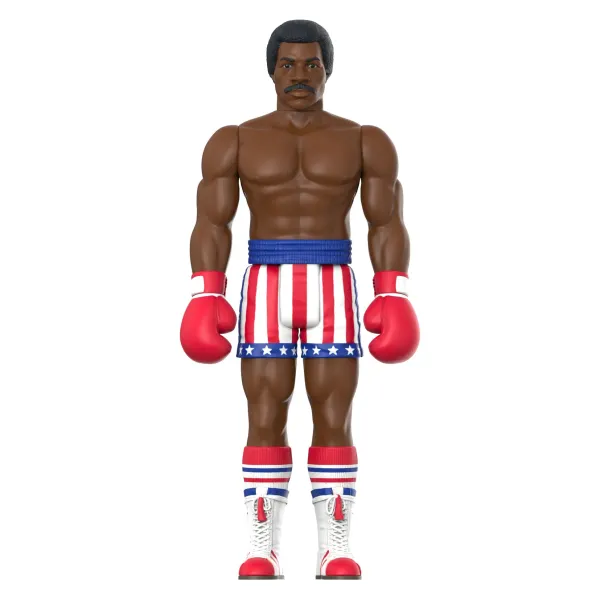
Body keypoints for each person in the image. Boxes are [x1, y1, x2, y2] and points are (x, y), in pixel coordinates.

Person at [180, 19, 419, 580]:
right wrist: (204, 291)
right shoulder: (236, 139)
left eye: (311, 64)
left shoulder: (363, 140)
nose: (300, 75)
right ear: (271, 71)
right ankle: (262, 546)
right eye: (288, 64)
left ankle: (335, 546)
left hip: (333, 283)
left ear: (328, 70)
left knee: (335, 413)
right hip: (265, 283)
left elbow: (386, 219)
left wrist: (394, 292)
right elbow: (212, 219)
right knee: (263, 413)